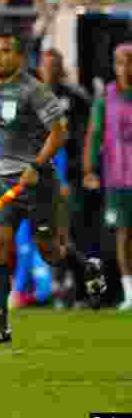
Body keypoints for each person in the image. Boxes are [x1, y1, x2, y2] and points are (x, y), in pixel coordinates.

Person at [0, 34, 105, 345]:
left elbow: (59, 133)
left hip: (37, 182)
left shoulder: (34, 90)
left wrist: (36, 165)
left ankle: (87, 267)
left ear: (19, 57)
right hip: (2, 183)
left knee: (50, 252)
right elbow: (2, 138)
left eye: (5, 52)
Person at [37, 48, 93, 307]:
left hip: (69, 177)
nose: (49, 71)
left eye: (54, 66)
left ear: (61, 69)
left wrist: (81, 173)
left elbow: (85, 139)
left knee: (72, 235)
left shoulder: (76, 98)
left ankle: (83, 288)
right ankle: (60, 287)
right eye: (46, 66)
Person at [84, 44, 132, 311]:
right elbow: (94, 135)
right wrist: (89, 169)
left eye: (129, 62)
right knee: (123, 234)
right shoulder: (106, 98)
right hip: (118, 177)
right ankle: (129, 292)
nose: (125, 67)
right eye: (120, 62)